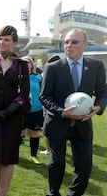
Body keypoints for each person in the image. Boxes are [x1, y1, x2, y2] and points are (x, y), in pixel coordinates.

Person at [39, 28, 107, 196]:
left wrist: (98, 106)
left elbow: (102, 93)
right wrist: (62, 112)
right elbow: (44, 96)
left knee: (84, 166)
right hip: (57, 123)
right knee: (58, 163)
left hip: (82, 125)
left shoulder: (96, 66)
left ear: (85, 45)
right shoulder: (52, 67)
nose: (69, 45)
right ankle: (53, 193)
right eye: (66, 42)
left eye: (74, 42)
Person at [0, 25, 30, 196]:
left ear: (14, 43)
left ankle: (2, 193)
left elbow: (24, 93)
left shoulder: (21, 65)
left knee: (8, 155)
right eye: (0, 39)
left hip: (12, 118)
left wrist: (9, 111)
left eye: (6, 39)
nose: (2, 42)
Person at [21, 56, 43, 165]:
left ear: (31, 65)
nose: (25, 64)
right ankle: (13, 154)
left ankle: (33, 155)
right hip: (20, 111)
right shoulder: (15, 77)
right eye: (23, 62)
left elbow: (43, 93)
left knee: (35, 133)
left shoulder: (38, 77)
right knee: (17, 133)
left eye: (27, 62)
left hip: (36, 110)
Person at [40, 54, 61, 156]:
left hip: (49, 104)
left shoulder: (46, 72)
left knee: (48, 128)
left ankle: (49, 149)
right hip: (55, 104)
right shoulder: (61, 71)